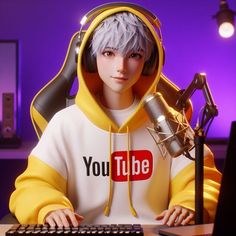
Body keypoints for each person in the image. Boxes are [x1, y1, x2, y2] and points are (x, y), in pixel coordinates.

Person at [9, 4, 221, 228]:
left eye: (135, 55)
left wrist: (190, 204)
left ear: (148, 63)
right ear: (90, 58)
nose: (120, 67)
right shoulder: (65, 124)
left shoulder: (168, 123)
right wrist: (48, 207)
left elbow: (204, 180)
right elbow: (32, 186)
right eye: (108, 53)